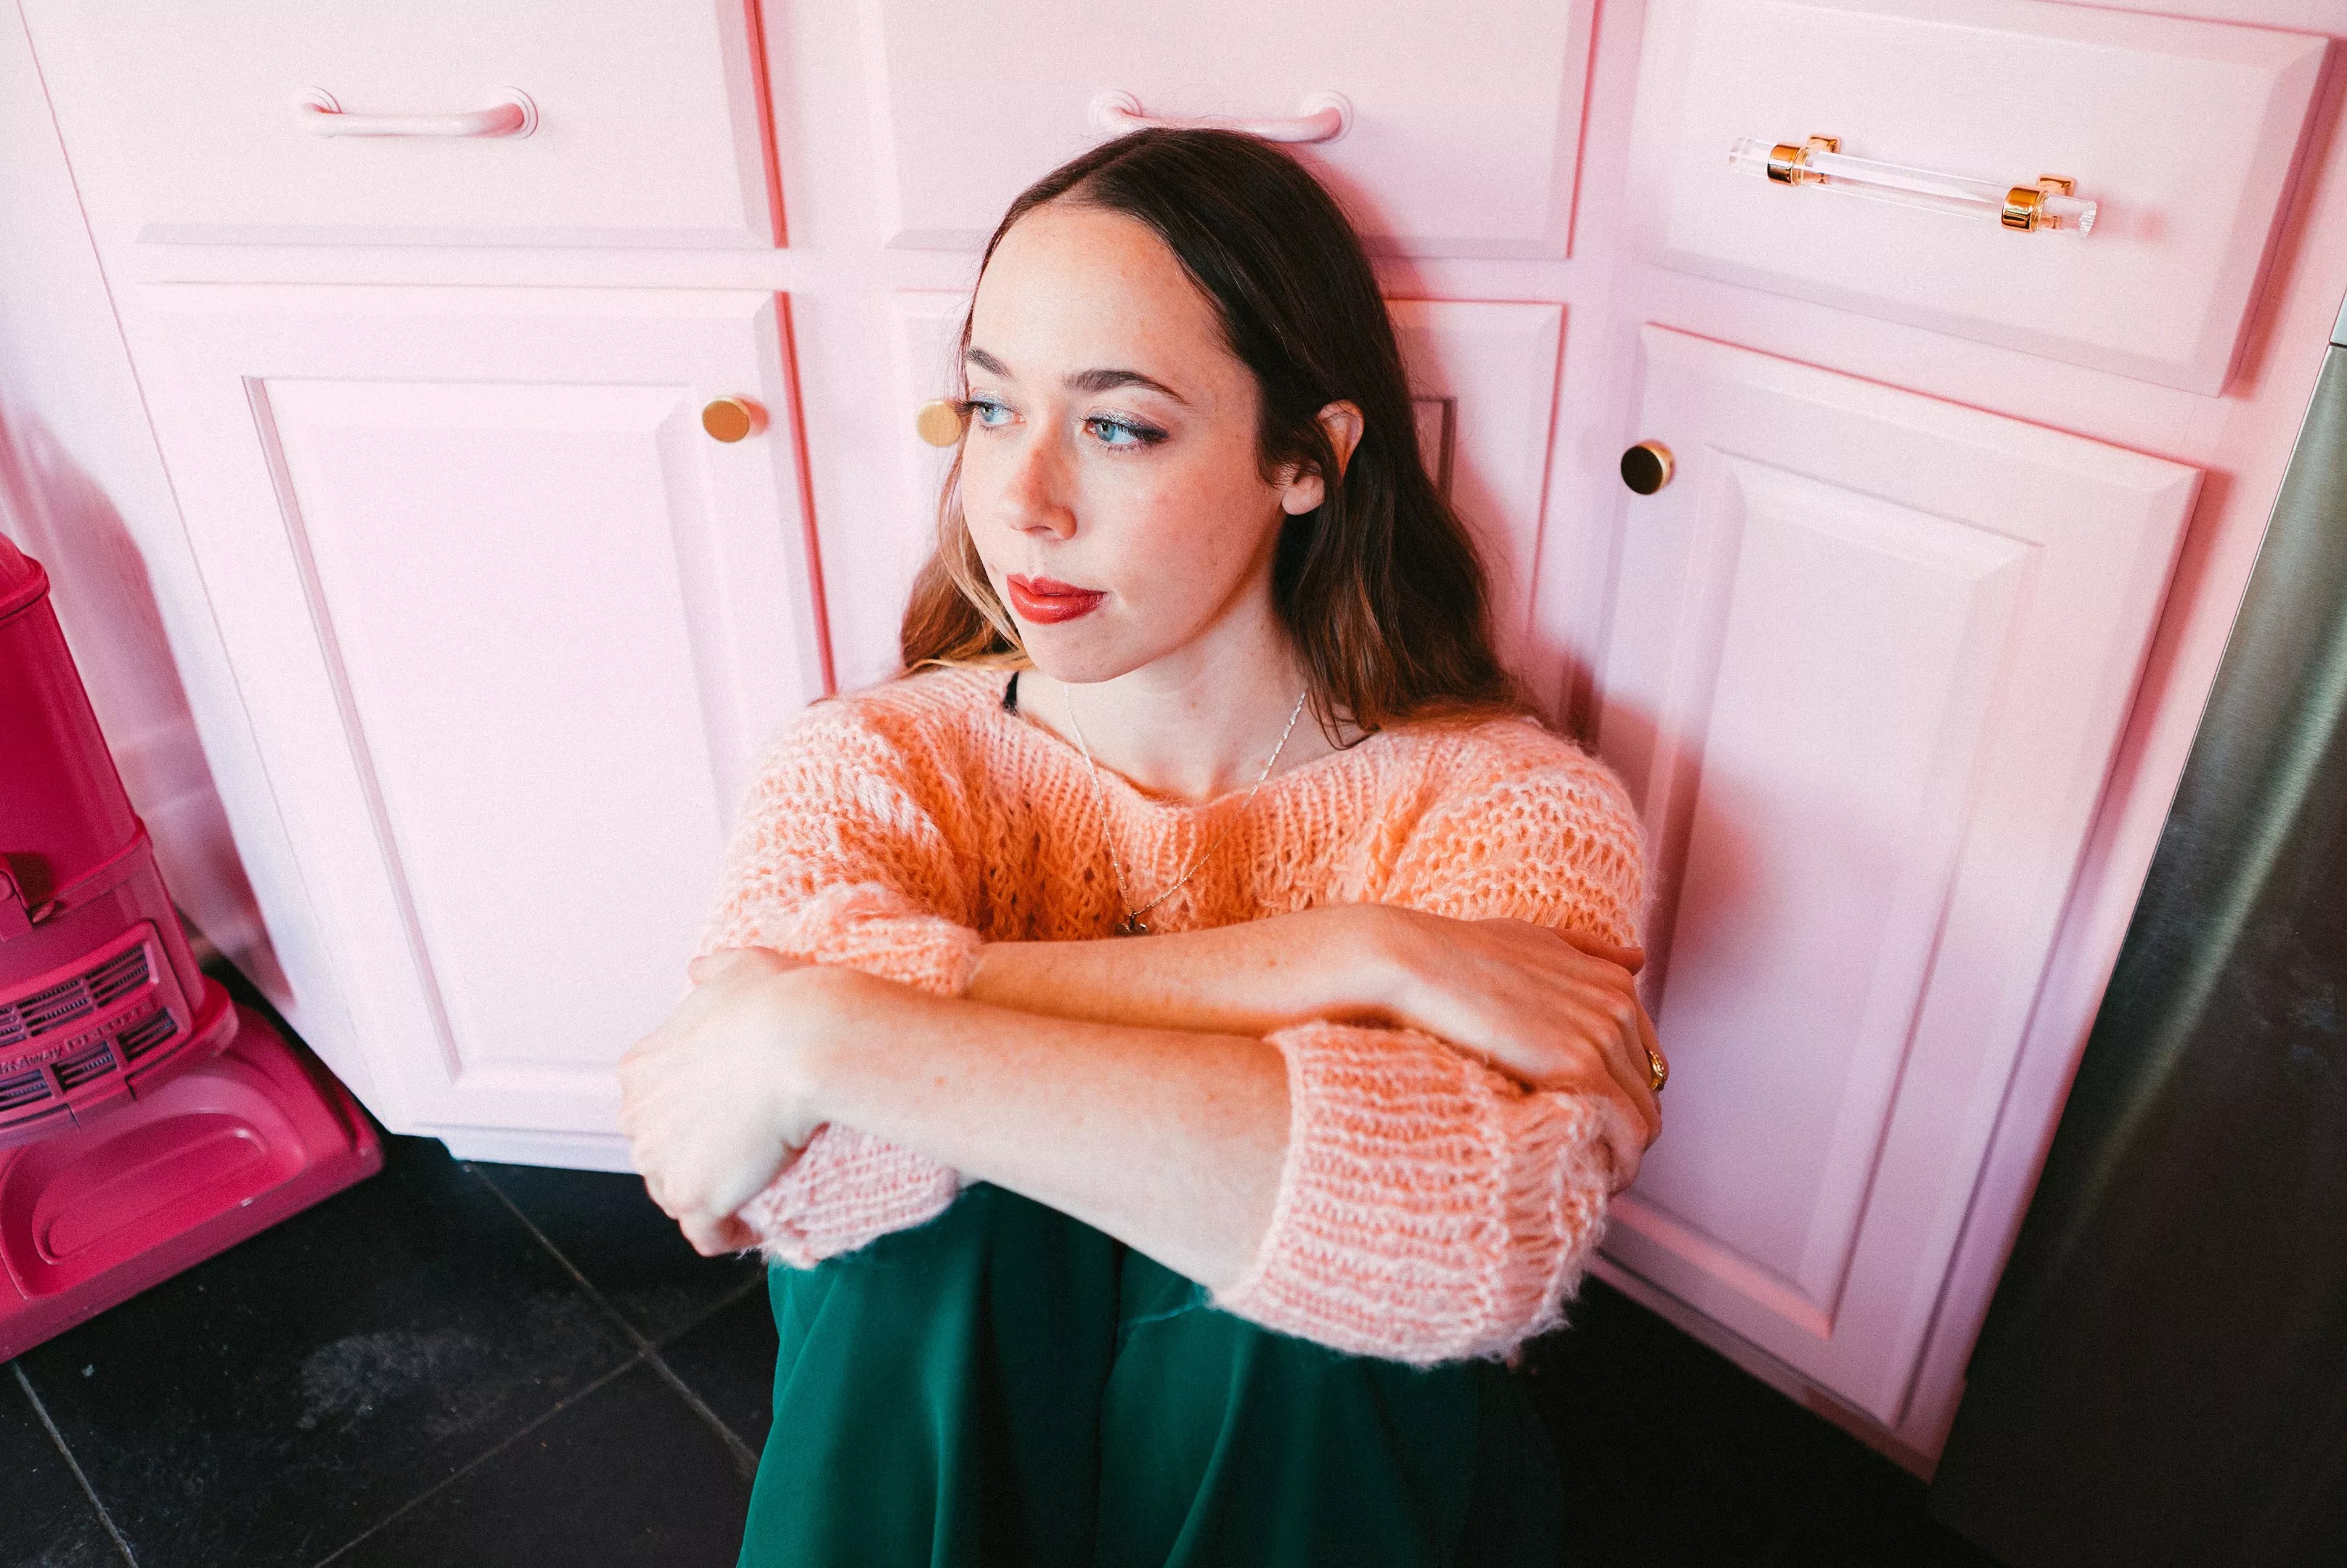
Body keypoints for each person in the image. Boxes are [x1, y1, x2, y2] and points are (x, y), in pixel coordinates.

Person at [618, 126, 1668, 1567]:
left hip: (1309, 1484)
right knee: (927, 1244)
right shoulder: (869, 759)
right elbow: (770, 1183)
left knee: (1309, 1307)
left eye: (1119, 427)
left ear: (1307, 458)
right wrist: (1355, 955)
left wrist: (824, 1028)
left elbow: (1466, 1234)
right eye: (992, 409)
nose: (1023, 500)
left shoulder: (1513, 805)